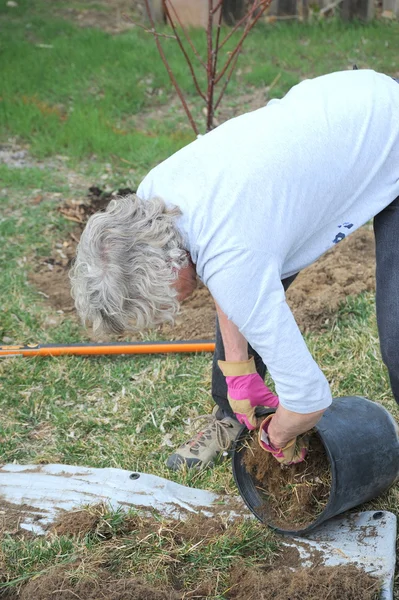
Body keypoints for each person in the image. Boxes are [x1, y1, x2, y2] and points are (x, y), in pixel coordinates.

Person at [70, 69, 399, 471]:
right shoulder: (153, 197)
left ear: (166, 266)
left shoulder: (231, 257)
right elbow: (225, 272)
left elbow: (310, 399)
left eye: (162, 301)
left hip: (386, 130)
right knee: (244, 289)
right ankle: (231, 415)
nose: (170, 308)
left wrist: (276, 436)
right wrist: (238, 371)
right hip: (342, 100)